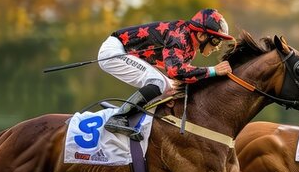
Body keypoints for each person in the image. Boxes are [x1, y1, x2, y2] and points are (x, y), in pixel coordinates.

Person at [98, 8, 235, 139]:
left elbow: (178, 76)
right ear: (201, 35)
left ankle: (126, 112)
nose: (216, 47)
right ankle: (119, 117)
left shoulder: (189, 45)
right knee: (158, 82)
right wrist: (213, 71)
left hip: (123, 52)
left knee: (168, 87)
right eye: (216, 41)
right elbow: (175, 71)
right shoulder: (180, 36)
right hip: (114, 51)